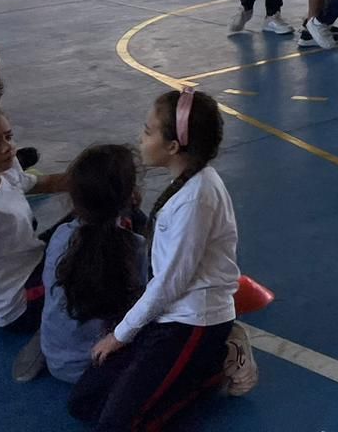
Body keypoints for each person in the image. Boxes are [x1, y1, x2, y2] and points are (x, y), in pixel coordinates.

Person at [74, 90, 238, 431]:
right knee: (84, 403)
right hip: (166, 315)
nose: (140, 138)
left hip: (194, 322)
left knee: (116, 425)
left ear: (173, 147)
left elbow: (169, 284)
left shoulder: (195, 201)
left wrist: (121, 335)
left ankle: (213, 365)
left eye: (148, 131)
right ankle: (194, 368)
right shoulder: (186, 183)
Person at [24, 144, 147, 384]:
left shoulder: (60, 236)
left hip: (57, 359)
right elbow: (143, 306)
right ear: (131, 195)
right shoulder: (135, 247)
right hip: (100, 364)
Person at [0, 106, 68, 335]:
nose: (8, 148)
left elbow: (47, 183)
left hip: (32, 259)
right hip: (20, 301)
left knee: (91, 216)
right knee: (93, 256)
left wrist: (100, 177)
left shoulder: (5, 171)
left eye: (8, 137)